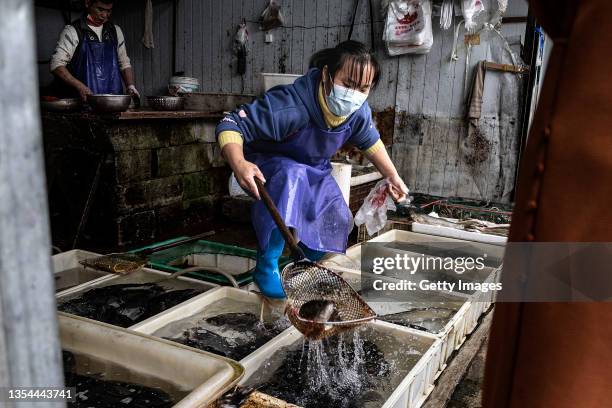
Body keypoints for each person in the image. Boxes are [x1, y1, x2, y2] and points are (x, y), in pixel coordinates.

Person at [215, 40, 408, 299]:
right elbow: (231, 123)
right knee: (291, 176)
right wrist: (239, 164)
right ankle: (267, 266)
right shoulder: (289, 105)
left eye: (363, 88)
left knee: (337, 221)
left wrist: (392, 176)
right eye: (348, 84)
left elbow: (370, 141)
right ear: (327, 74)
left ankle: (298, 265)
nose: (354, 95)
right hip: (267, 166)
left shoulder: (357, 111)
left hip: (313, 170)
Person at [49, 0, 139, 101]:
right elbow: (56, 65)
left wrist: (130, 86)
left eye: (108, 11)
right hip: (83, 102)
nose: (104, 15)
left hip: (113, 102)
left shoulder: (115, 31)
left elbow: (124, 62)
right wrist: (80, 86)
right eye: (100, 9)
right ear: (87, 3)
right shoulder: (73, 30)